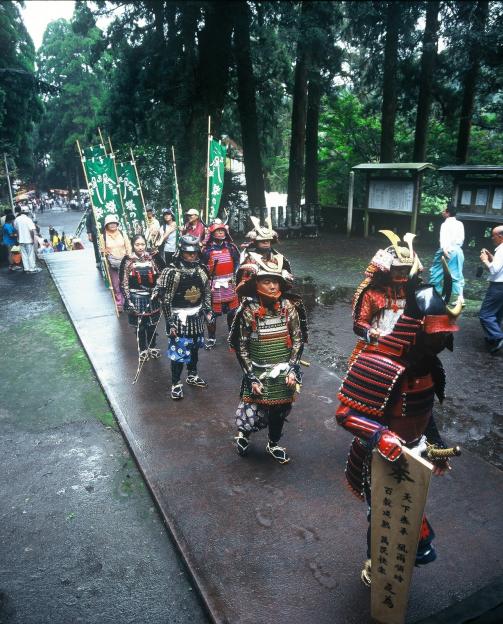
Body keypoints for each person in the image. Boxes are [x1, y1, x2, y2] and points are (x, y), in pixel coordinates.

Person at [335, 233, 462, 586]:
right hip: (379, 370)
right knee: (382, 514)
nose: (442, 343)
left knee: (406, 509)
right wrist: (380, 435)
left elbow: (425, 410)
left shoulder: (428, 365)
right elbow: (345, 414)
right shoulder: (373, 298)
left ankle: (395, 559)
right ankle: (376, 564)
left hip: (413, 446)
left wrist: (434, 445)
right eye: (436, 337)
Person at [229, 258, 307, 464]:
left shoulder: (289, 307)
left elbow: (298, 339)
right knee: (251, 410)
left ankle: (273, 444)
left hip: (284, 372)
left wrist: (292, 369)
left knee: (279, 411)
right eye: (267, 281)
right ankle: (243, 435)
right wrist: (252, 377)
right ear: (256, 284)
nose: (273, 286)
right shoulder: (248, 310)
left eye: (276, 281)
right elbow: (242, 346)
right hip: (257, 371)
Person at [156, 234, 212, 400]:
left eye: (194, 252)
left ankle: (192, 374)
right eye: (188, 253)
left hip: (196, 317)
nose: (192, 255)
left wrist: (208, 310)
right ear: (181, 252)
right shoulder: (171, 272)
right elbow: (166, 301)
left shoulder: (201, 270)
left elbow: (207, 292)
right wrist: (170, 323)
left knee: (194, 349)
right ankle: (176, 383)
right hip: (179, 319)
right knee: (179, 353)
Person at [349, 230, 417, 363]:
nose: (403, 273)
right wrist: (370, 332)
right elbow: (359, 322)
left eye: (406, 269)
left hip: (405, 346)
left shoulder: (412, 292)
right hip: (376, 346)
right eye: (398, 269)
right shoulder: (372, 292)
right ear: (387, 268)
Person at [120, 234, 164, 363]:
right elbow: (124, 282)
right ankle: (143, 349)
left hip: (152, 296)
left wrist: (159, 289)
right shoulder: (128, 260)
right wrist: (128, 300)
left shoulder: (153, 258)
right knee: (140, 326)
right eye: (137, 244)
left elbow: (163, 274)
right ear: (133, 246)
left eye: (142, 244)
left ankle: (152, 346)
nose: (140, 247)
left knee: (152, 324)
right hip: (136, 297)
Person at [201, 218, 240, 349]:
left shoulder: (232, 247)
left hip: (229, 284)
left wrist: (234, 277)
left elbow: (237, 263)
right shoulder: (206, 250)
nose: (220, 233)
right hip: (213, 286)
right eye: (217, 231)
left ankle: (232, 336)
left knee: (233, 312)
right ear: (212, 233)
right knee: (211, 314)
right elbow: (202, 267)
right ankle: (211, 338)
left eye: (222, 230)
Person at [237, 215, 292, 286]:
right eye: (262, 241)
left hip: (275, 286)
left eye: (268, 241)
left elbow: (286, 270)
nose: (266, 243)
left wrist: (284, 273)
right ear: (256, 242)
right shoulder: (248, 257)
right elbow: (242, 277)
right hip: (256, 287)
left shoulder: (278, 257)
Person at [430, 204, 465, 303]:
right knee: (457, 274)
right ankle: (459, 297)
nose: (442, 212)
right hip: (458, 250)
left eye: (443, 211)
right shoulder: (460, 224)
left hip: (447, 250)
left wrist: (445, 249)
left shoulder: (445, 224)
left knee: (436, 273)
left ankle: (435, 295)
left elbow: (444, 239)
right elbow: (461, 239)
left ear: (447, 212)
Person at [479, 225, 503, 353]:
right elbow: (499, 265)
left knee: (485, 314)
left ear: (500, 236)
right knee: (497, 313)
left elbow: (494, 270)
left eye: (494, 235)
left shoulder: (501, 249)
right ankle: (492, 338)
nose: (492, 238)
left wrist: (484, 260)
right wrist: (490, 257)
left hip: (498, 286)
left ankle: (497, 337)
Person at [103, 214, 132, 312]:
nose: (112, 225)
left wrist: (129, 257)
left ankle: (128, 301)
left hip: (124, 261)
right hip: (112, 263)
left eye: (114, 223)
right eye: (110, 223)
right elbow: (102, 250)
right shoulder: (103, 236)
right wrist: (104, 252)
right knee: (116, 284)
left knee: (125, 282)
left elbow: (128, 246)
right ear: (106, 225)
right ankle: (119, 303)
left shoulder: (122, 233)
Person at [14, 206, 40, 273]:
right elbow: (31, 231)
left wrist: (18, 238)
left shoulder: (17, 219)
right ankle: (32, 268)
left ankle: (26, 268)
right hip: (28, 240)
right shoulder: (28, 219)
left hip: (21, 240)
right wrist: (32, 239)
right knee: (30, 254)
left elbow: (16, 230)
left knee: (24, 254)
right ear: (27, 212)